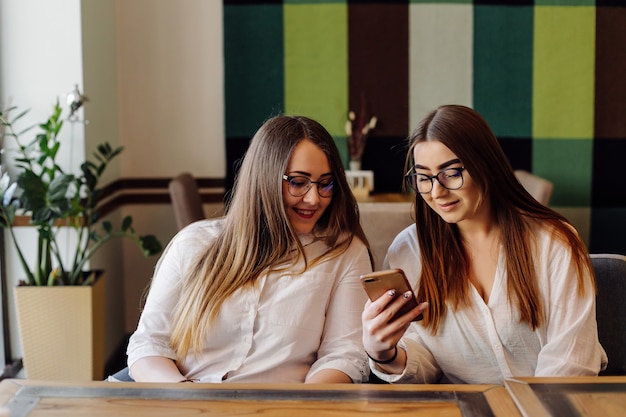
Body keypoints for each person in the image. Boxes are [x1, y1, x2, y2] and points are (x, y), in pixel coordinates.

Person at [362, 104, 607, 384]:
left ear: (485, 165)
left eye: (451, 173)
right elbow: (427, 363)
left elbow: (570, 362)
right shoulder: (409, 251)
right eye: (423, 177)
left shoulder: (553, 242)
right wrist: (386, 354)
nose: (437, 191)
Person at [127, 115, 373, 383]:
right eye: (299, 182)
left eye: (326, 183)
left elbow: (344, 355)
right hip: (183, 402)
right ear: (264, 178)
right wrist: (186, 399)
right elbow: (149, 344)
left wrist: (303, 405)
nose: (314, 198)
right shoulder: (192, 244)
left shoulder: (345, 253)